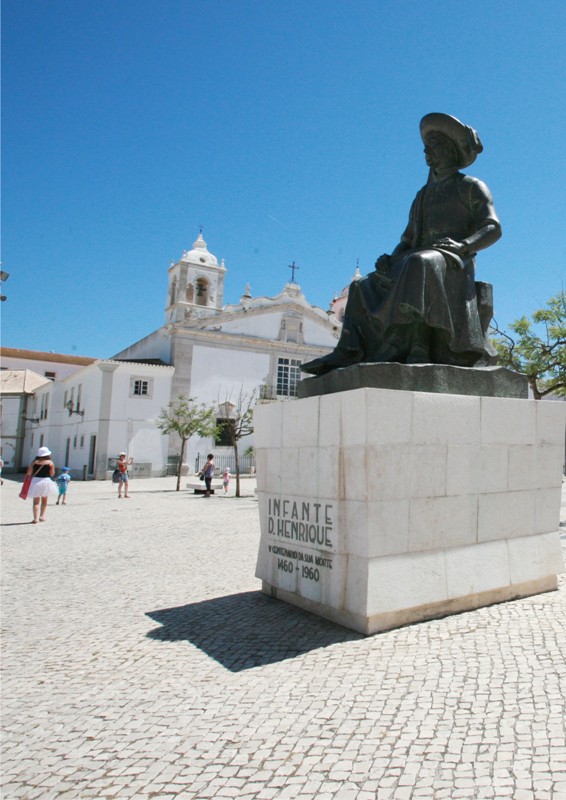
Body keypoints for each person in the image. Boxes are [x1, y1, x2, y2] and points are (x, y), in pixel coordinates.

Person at [302, 113, 502, 375]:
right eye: (426, 147)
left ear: (451, 149)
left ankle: (418, 344)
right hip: (415, 258)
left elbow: (492, 227)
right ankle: (349, 350)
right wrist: (390, 257)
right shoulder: (422, 195)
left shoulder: (471, 186)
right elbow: (407, 240)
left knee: (420, 262)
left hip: (452, 261)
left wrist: (463, 245)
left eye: (434, 145)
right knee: (361, 286)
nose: (427, 152)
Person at [26, 446, 58, 523]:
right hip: (46, 481)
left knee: (36, 502)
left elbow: (29, 473)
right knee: (44, 500)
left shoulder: (34, 462)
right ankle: (42, 516)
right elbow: (52, 474)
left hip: (36, 481)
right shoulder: (50, 463)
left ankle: (35, 518)